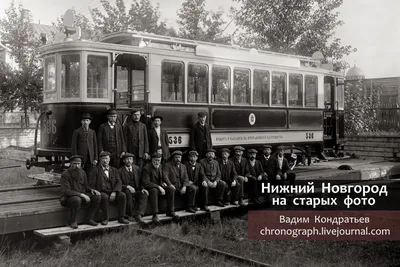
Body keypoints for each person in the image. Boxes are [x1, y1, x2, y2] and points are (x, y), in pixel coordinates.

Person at [59, 155, 101, 229]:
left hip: (80, 196)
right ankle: (72, 221)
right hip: (67, 198)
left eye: (79, 164)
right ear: (71, 164)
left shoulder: (83, 172)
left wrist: (92, 190)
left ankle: (89, 218)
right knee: (76, 200)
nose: (77, 166)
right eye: (75, 163)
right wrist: (82, 195)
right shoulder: (65, 174)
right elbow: (66, 191)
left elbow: (85, 186)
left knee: (97, 197)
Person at [89, 151, 129, 225]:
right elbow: (92, 184)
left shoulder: (114, 170)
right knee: (105, 197)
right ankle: (105, 218)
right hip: (101, 191)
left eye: (107, 158)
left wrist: (114, 192)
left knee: (122, 195)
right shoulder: (95, 170)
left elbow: (119, 182)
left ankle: (121, 217)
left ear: (109, 159)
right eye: (103, 158)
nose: (105, 161)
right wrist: (96, 191)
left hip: (113, 190)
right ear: (100, 160)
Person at [142, 153, 178, 223]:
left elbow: (160, 178)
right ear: (152, 160)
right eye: (155, 160)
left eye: (158, 160)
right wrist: (159, 187)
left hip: (158, 187)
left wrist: (162, 183)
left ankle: (170, 211)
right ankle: (154, 214)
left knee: (171, 189)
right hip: (150, 188)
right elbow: (146, 183)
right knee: (154, 190)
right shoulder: (146, 168)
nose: (157, 162)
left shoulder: (160, 166)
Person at [119, 153, 148, 224]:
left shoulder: (137, 168)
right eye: (127, 159)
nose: (129, 161)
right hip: (126, 190)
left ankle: (139, 215)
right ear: (123, 161)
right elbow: (118, 184)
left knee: (144, 194)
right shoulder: (119, 171)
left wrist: (142, 188)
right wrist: (127, 186)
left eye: (130, 159)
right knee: (128, 193)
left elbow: (141, 180)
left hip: (136, 189)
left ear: (132, 161)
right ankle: (130, 215)